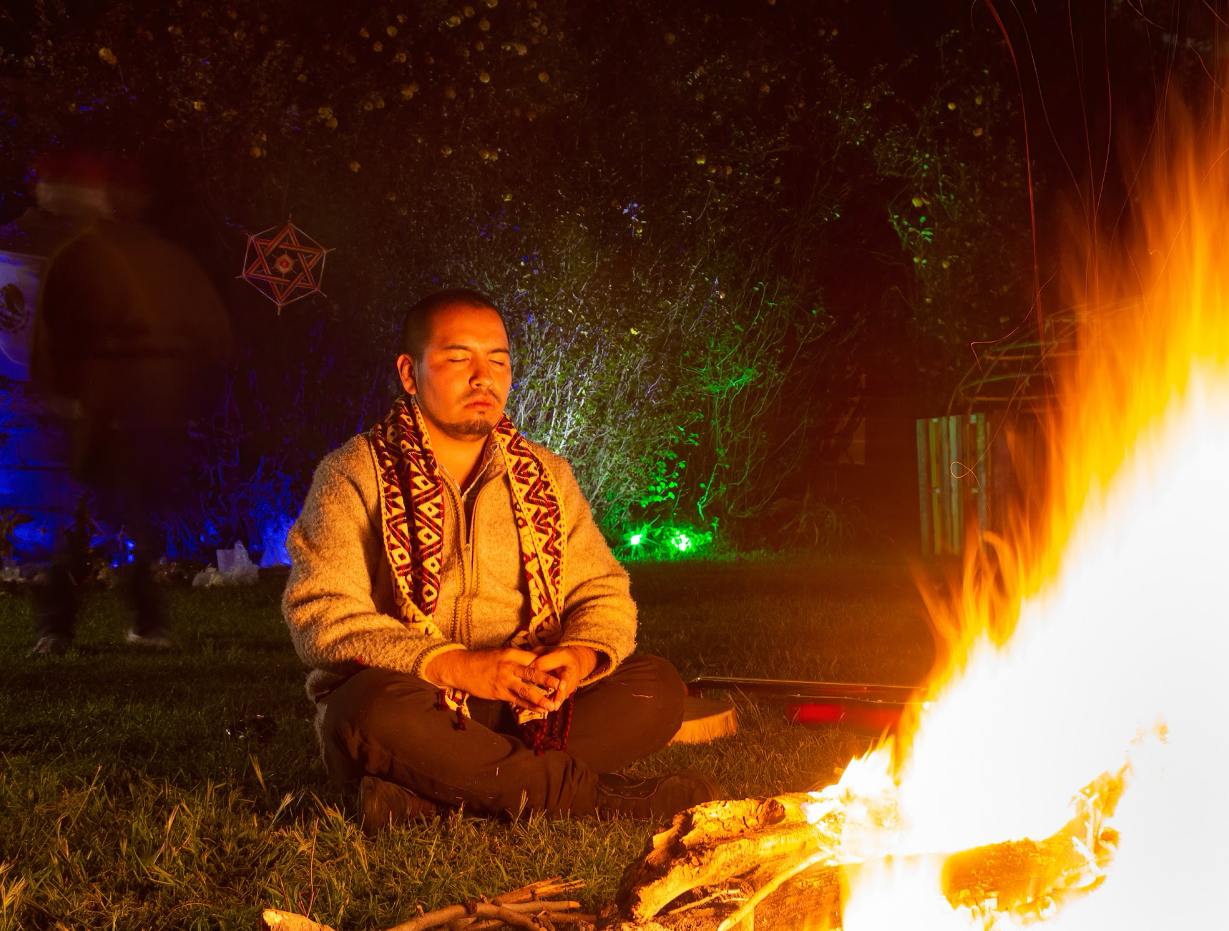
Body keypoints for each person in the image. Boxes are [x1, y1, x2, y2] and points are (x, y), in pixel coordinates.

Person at [282, 289, 719, 832]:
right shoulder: (353, 473)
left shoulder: (546, 474)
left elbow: (603, 590)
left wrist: (580, 658)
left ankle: (426, 800)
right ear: (410, 372)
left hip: (527, 704)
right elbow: (321, 617)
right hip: (418, 703)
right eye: (459, 358)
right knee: (365, 711)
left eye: (499, 360)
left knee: (657, 689)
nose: (483, 376)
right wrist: (460, 667)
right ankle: (594, 797)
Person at [25, 151, 234, 655]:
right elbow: (53, 337)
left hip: (139, 413)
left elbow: (210, 338)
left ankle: (110, 625)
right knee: (86, 520)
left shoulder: (154, 262)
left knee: (120, 520)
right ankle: (69, 627)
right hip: (106, 413)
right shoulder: (85, 258)